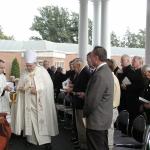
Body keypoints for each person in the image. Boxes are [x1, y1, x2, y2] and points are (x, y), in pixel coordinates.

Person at [11, 50, 59, 149]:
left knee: (42, 122)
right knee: (30, 121)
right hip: (28, 103)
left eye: (30, 66)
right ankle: (31, 140)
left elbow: (48, 86)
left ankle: (46, 142)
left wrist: (37, 89)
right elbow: (20, 85)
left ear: (35, 63)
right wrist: (21, 87)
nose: (28, 68)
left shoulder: (42, 71)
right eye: (27, 65)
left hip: (40, 103)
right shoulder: (24, 72)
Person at [83, 46, 114, 150]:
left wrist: (85, 114)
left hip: (97, 120)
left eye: (91, 57)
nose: (90, 60)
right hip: (101, 120)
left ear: (96, 57)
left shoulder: (100, 74)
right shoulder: (106, 71)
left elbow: (92, 100)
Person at [106, 59, 121, 150]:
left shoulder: (111, 79)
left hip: (110, 110)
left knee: (108, 137)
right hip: (111, 109)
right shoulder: (112, 77)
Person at [0, 59, 12, 150]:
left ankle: (5, 139)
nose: (3, 69)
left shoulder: (2, 76)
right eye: (1, 67)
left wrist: (6, 88)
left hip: (4, 101)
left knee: (5, 122)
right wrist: (3, 88)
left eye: (3, 67)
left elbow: (4, 86)